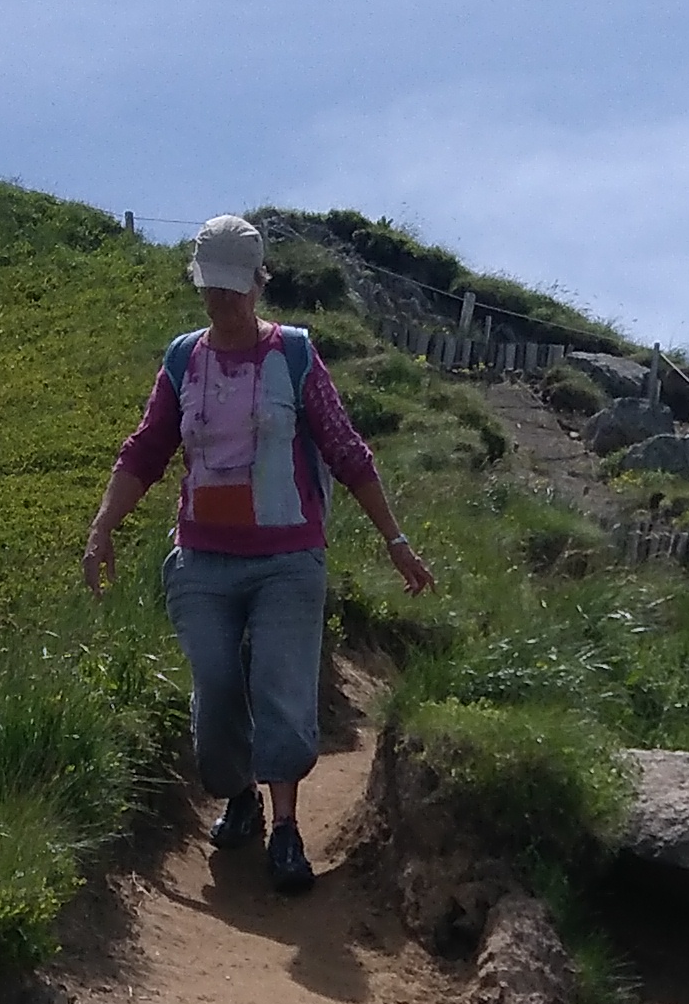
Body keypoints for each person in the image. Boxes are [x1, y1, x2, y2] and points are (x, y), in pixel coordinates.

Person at [83, 214, 434, 894]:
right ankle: (238, 794)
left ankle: (286, 829)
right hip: (202, 559)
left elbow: (346, 449)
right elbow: (146, 448)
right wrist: (103, 528)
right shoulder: (183, 359)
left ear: (258, 284)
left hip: (287, 557)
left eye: (233, 287)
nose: (222, 300)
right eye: (211, 287)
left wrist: (395, 540)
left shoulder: (293, 355)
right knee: (215, 688)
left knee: (280, 684)